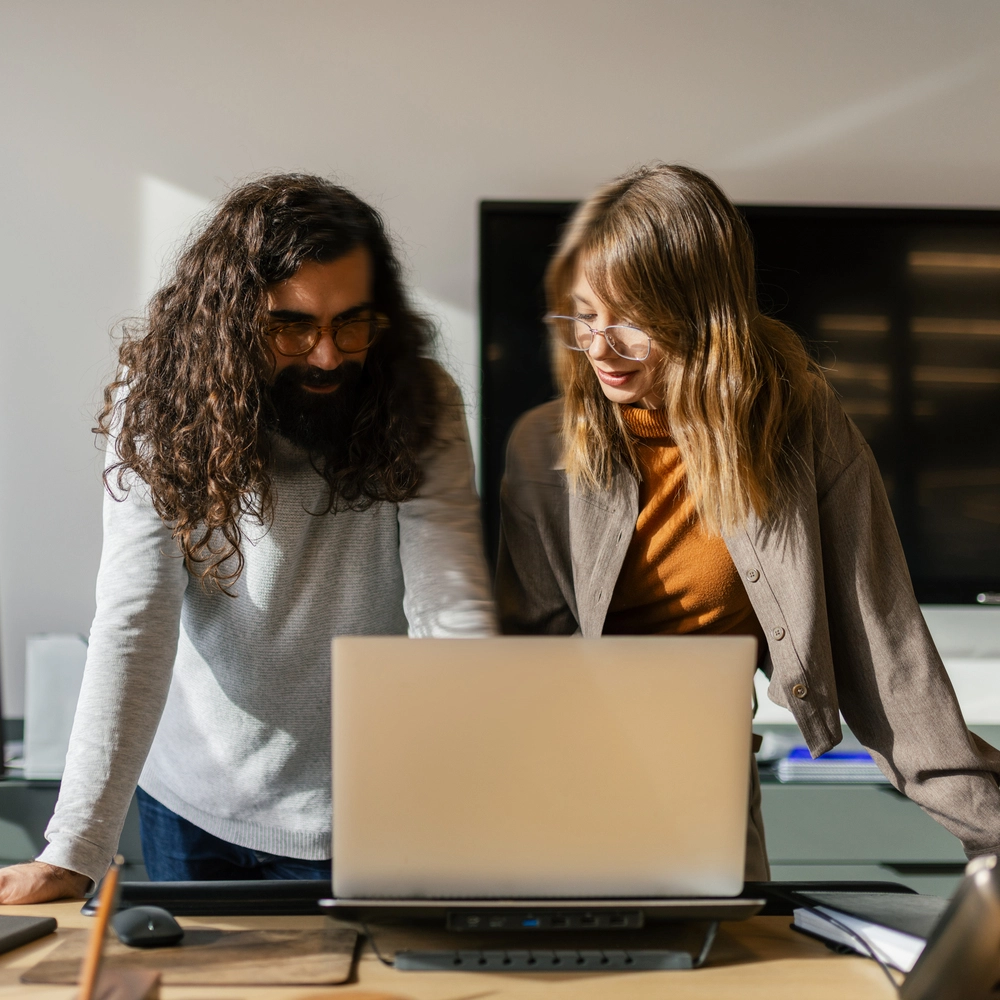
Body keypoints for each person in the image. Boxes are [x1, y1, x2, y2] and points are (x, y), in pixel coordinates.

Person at [495, 163, 1000, 880]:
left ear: (702, 315)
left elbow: (886, 651)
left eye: (631, 321)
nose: (600, 348)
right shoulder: (544, 446)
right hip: (567, 786)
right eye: (584, 317)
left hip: (710, 784)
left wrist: (991, 834)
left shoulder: (802, 424)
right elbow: (521, 669)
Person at [0, 174, 495, 903]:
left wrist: (478, 795)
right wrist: (75, 848)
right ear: (230, 320)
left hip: (361, 808)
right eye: (290, 328)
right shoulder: (160, 402)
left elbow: (448, 603)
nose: (326, 356)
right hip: (191, 799)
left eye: (352, 325)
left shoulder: (419, 402)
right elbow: (135, 617)